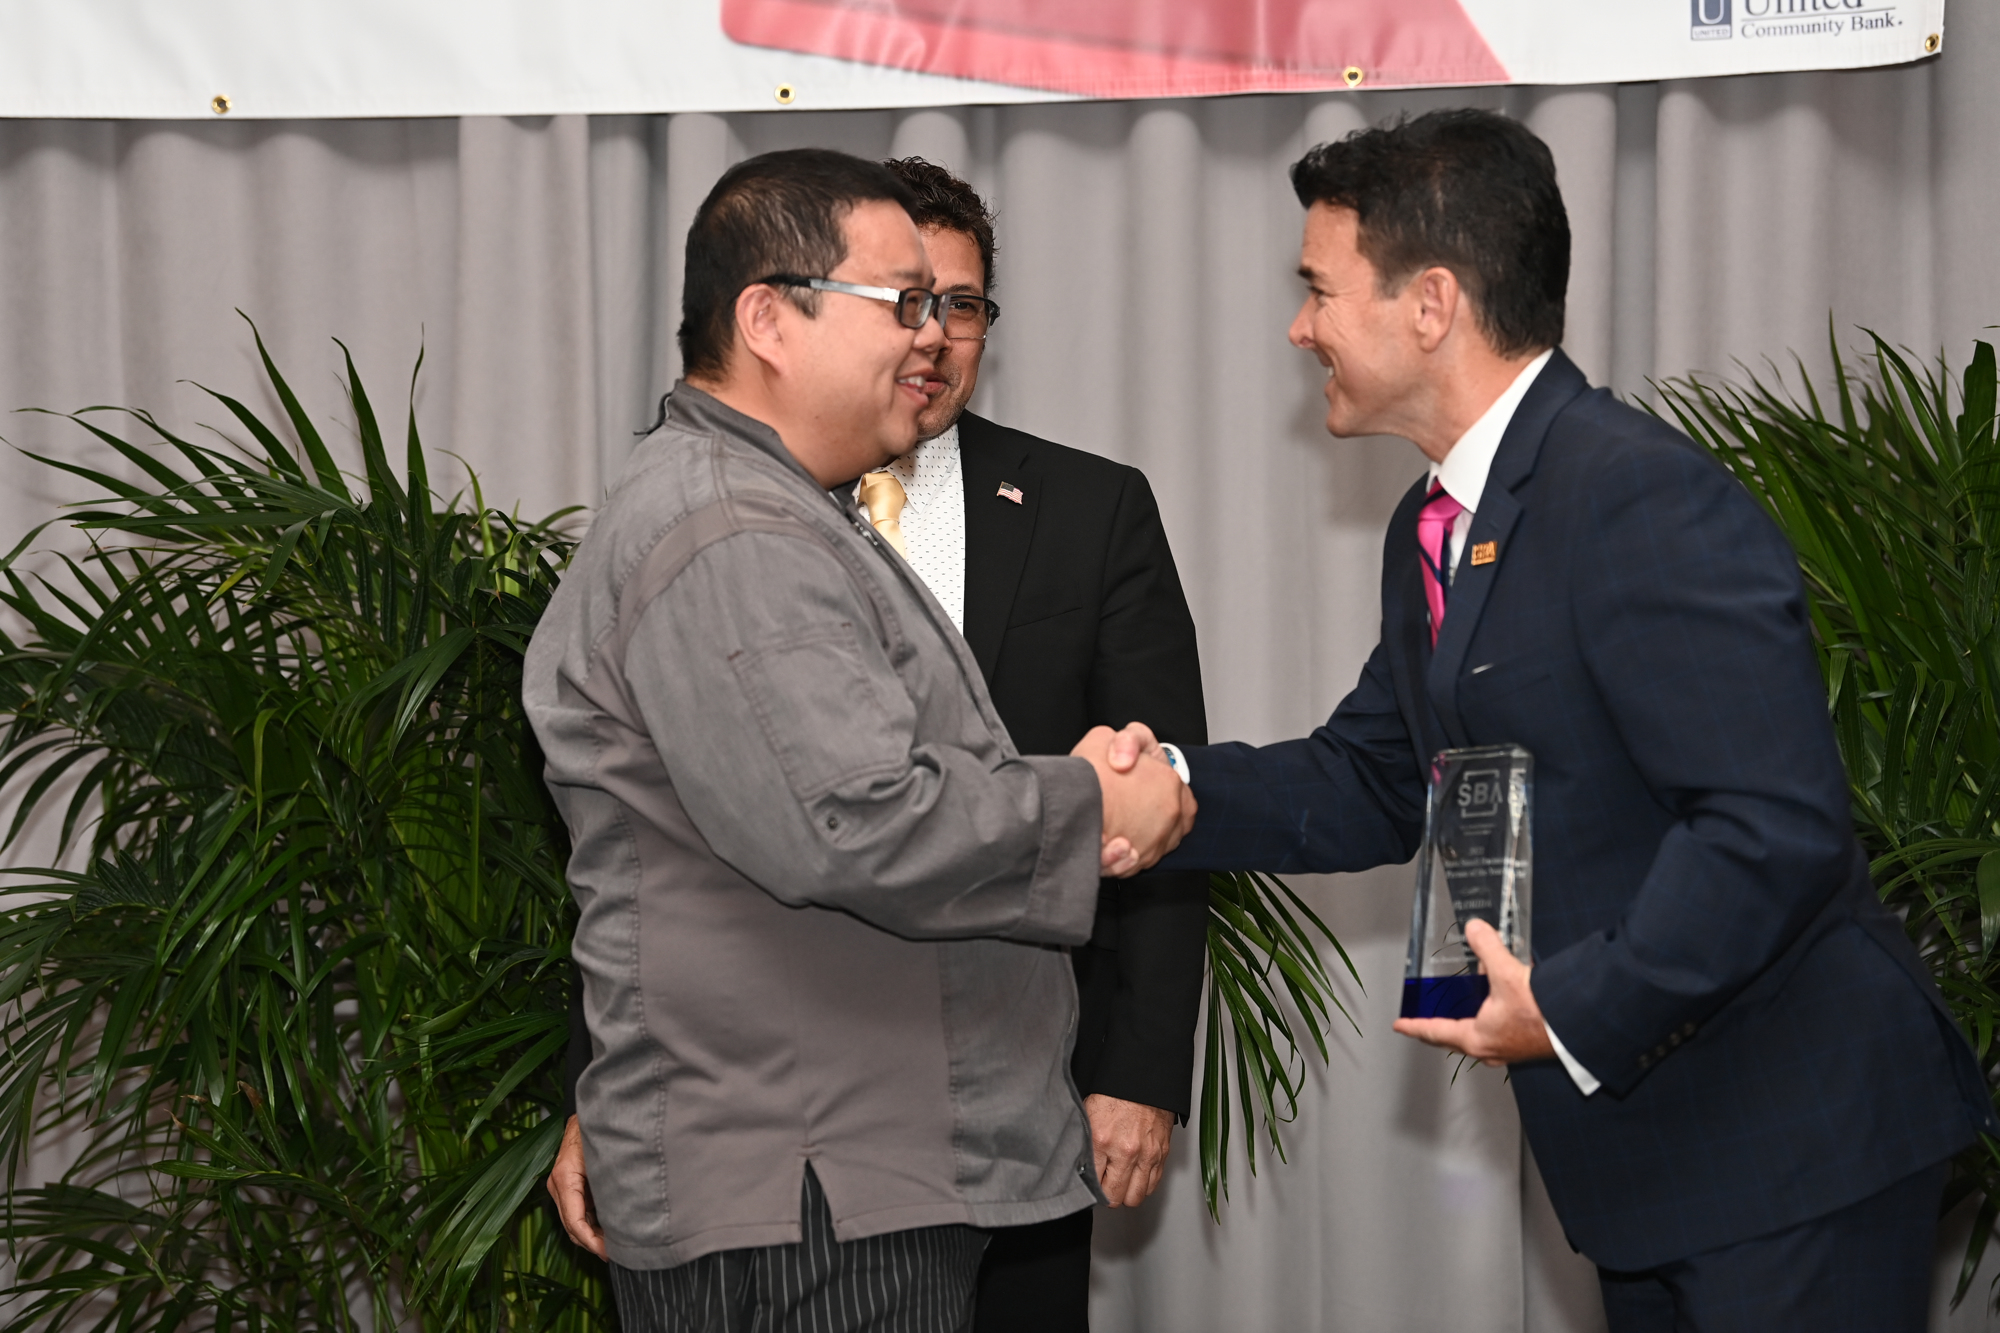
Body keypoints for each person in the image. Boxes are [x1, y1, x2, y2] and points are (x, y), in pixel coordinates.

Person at [1107, 108, 1997, 1332]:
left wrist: (1572, 1006)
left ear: (1429, 303)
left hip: (1785, 1148)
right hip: (1655, 1166)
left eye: (1317, 289)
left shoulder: (1633, 493)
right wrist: (1169, 785)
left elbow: (1767, 825)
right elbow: (1373, 775)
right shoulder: (1439, 524)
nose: (1297, 325)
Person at [522, 146, 1193, 1333]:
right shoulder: (734, 530)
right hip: (814, 1185)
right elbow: (856, 818)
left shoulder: (763, 506)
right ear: (770, 319)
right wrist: (1093, 807)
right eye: (899, 302)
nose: (926, 337)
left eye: (947, 307)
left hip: (843, 1165)